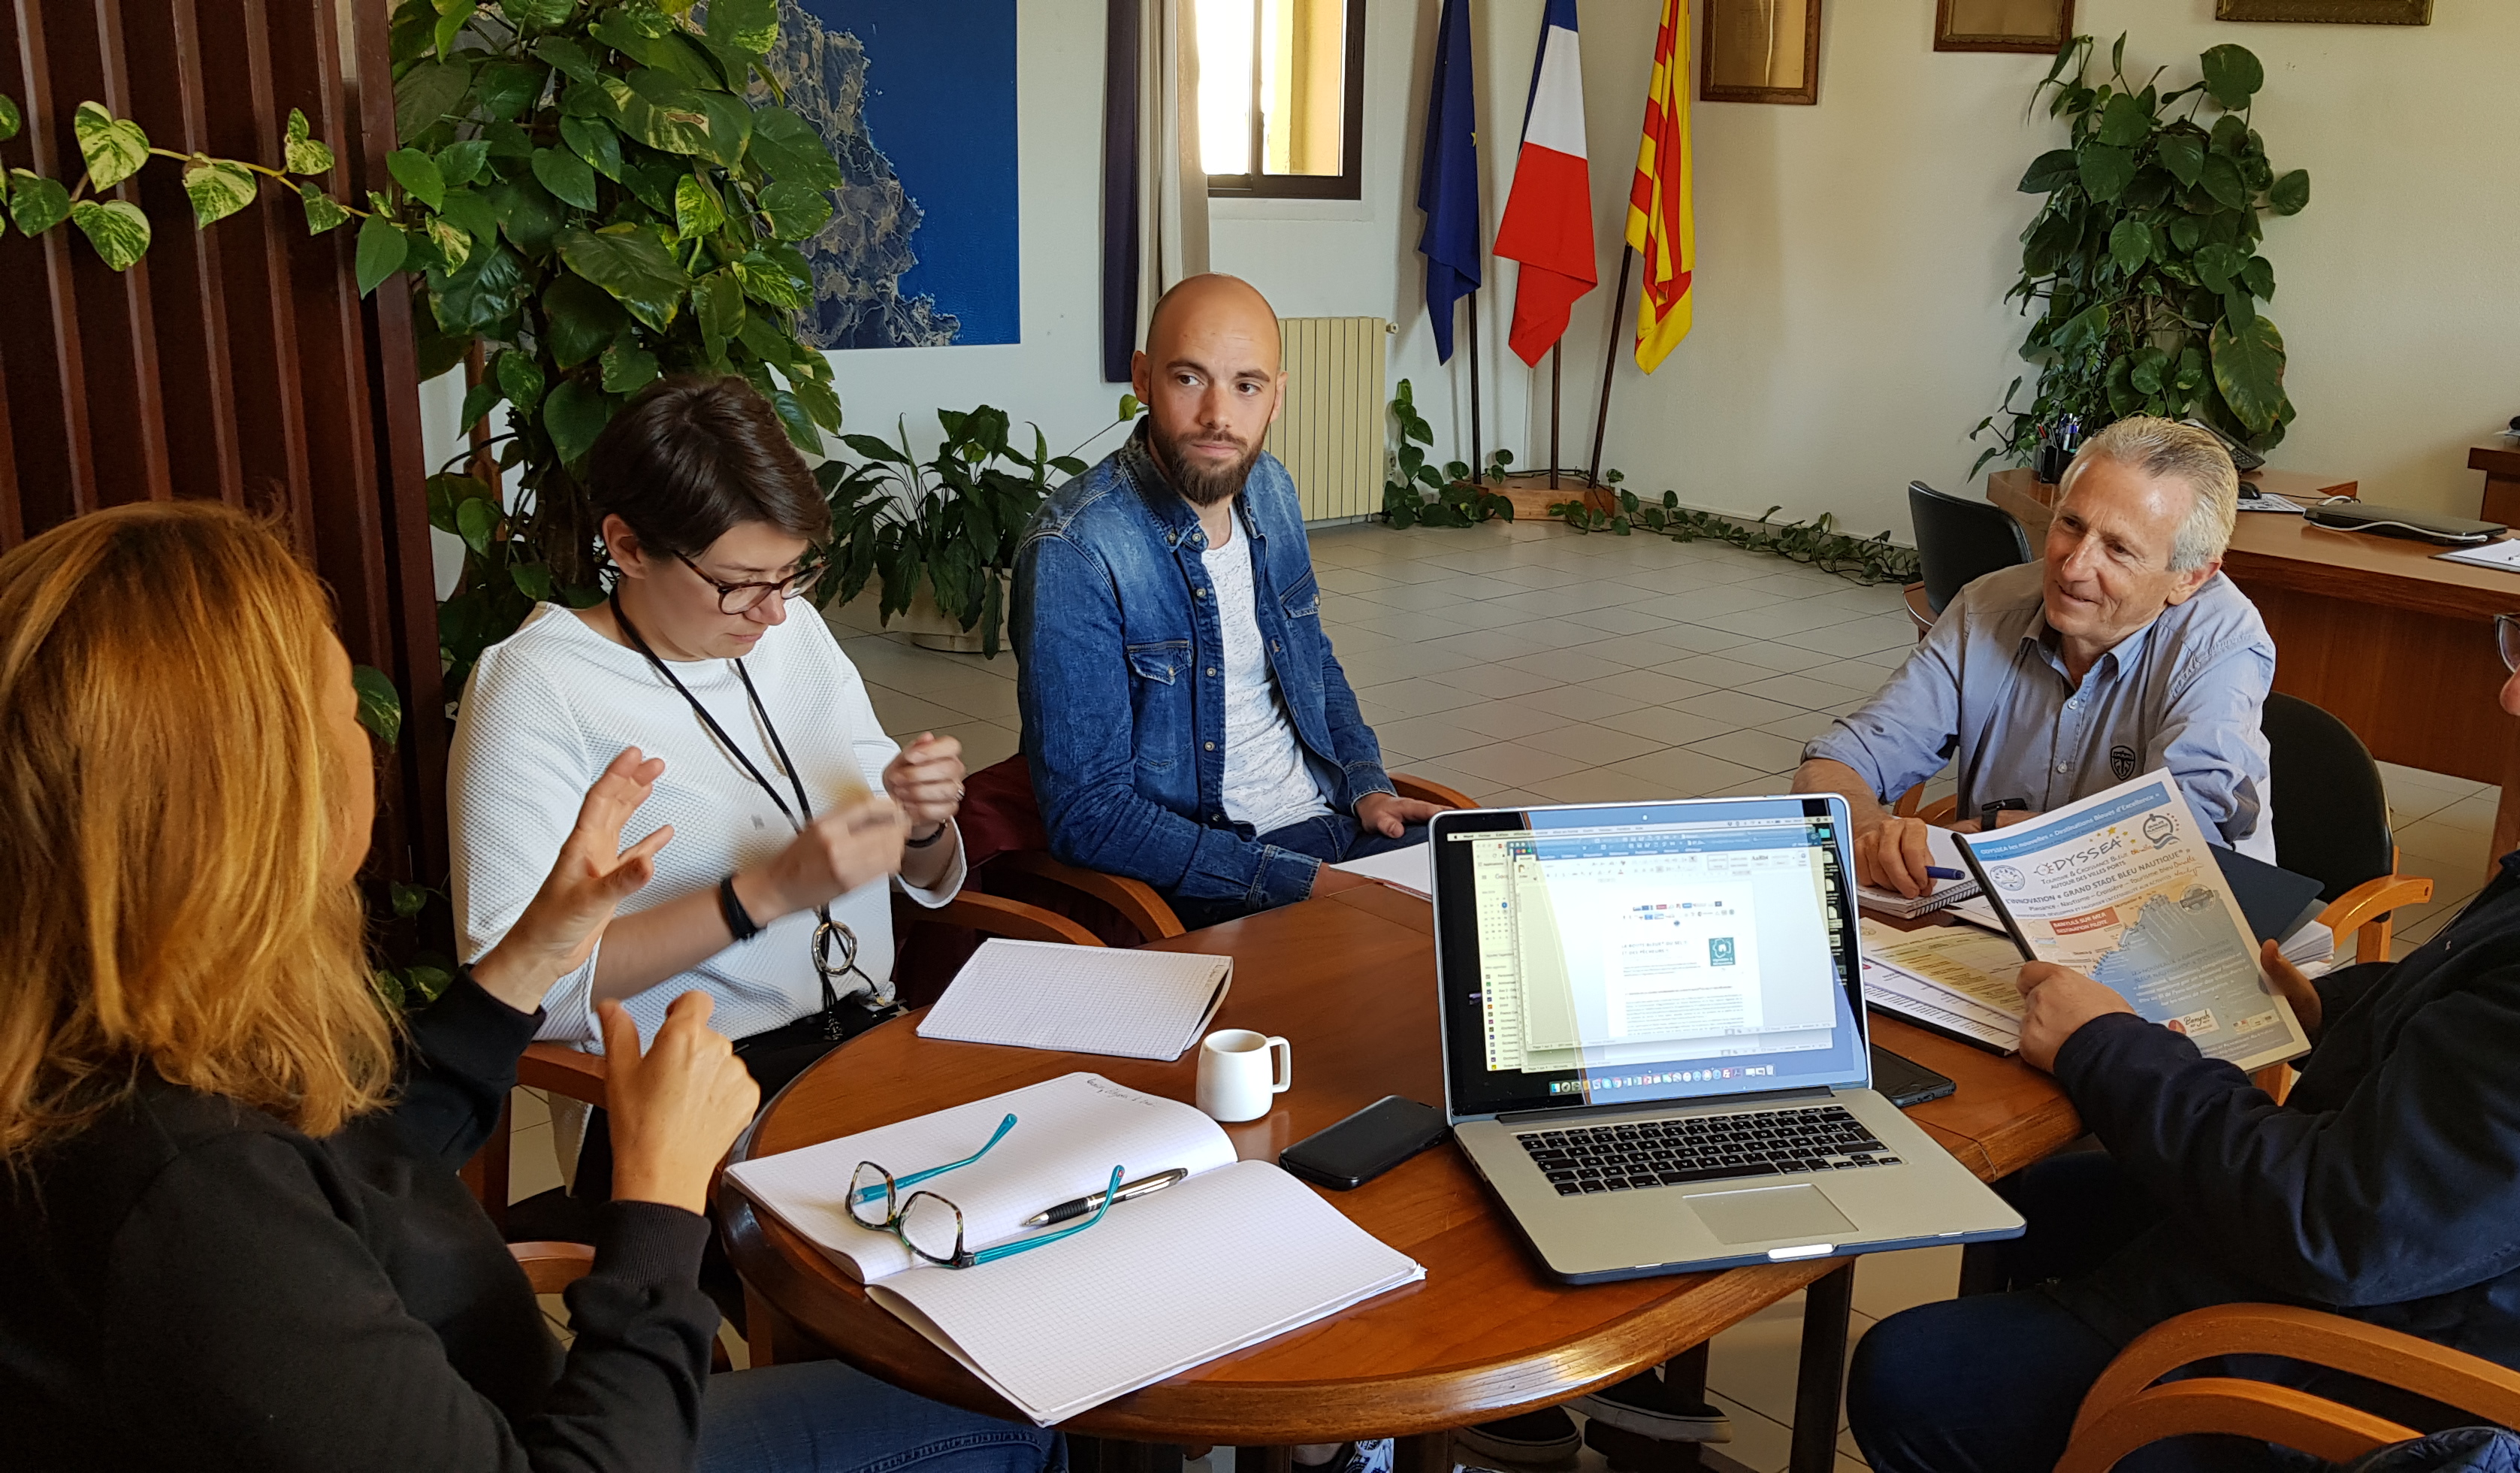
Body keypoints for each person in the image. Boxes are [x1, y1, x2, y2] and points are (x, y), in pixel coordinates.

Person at [1845, 469, 2520, 1473]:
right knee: (2037, 1198)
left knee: (1911, 1372)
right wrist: (2328, 1005)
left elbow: (2329, 1231)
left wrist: (2102, 1047)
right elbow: (2509, 1035)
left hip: (2391, 1366)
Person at [0, 502, 1065, 1471]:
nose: (369, 743)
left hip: (540, 1397)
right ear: (262, 805)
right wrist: (653, 1201)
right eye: (341, 716)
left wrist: (529, 955)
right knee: (1004, 1427)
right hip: (575, 1432)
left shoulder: (133, 1049)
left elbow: (364, 1160)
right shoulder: (191, 1205)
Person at [451, 375, 971, 1208]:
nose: (771, 613)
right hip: (688, 1112)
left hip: (862, 1049)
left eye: (792, 574)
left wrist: (920, 821)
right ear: (625, 548)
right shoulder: (537, 685)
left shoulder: (789, 630)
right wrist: (761, 894)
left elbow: (924, 866)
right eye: (739, 583)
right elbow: (523, 994)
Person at [1013, 274, 1445, 931]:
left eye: (1247, 386)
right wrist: (1304, 882)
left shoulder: (1270, 488)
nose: (1220, 415)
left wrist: (1366, 781)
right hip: (1221, 874)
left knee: (1515, 907)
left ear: (1276, 397)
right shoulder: (1077, 548)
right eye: (1190, 379)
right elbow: (1090, 816)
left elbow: (1312, 658)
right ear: (1142, 378)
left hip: (1336, 827)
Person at [1796, 416, 2277, 899]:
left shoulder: (2223, 646)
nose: (2073, 567)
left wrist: (2026, 837)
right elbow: (1837, 762)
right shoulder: (1986, 608)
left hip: (2166, 923)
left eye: (2118, 549)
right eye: (2071, 524)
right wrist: (1865, 829)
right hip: (1995, 907)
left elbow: (2179, 845)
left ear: (2189, 578)